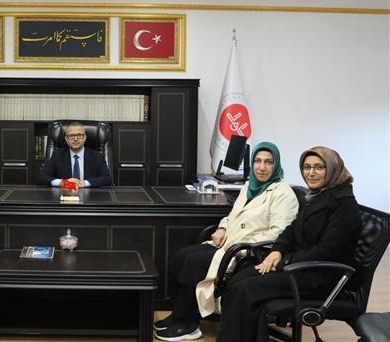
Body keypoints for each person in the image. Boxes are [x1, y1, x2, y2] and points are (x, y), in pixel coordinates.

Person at [154, 142, 298, 341]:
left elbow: (279, 234)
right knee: (181, 256)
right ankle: (179, 314)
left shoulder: (283, 193)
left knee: (193, 263)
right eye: (257, 161)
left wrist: (242, 243)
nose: (262, 167)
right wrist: (222, 228)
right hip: (229, 243)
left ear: (277, 165)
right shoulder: (249, 186)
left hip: (249, 252)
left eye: (268, 162)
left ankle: (188, 324)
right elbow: (232, 216)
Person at [216, 146, 361, 342]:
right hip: (300, 267)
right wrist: (277, 251)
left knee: (245, 289)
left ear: (333, 169)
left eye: (319, 167)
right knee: (238, 278)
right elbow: (293, 228)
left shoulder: (344, 205)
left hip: (319, 276)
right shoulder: (318, 195)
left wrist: (284, 261)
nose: (311, 173)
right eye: (307, 167)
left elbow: (325, 251)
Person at [37, 121, 112, 187]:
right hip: (65, 195)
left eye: (79, 135)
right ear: (66, 139)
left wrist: (84, 183)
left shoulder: (97, 157)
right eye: (71, 136)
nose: (75, 139)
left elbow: (107, 179)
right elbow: (41, 178)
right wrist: (62, 182)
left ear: (84, 138)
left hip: (90, 195)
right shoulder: (58, 155)